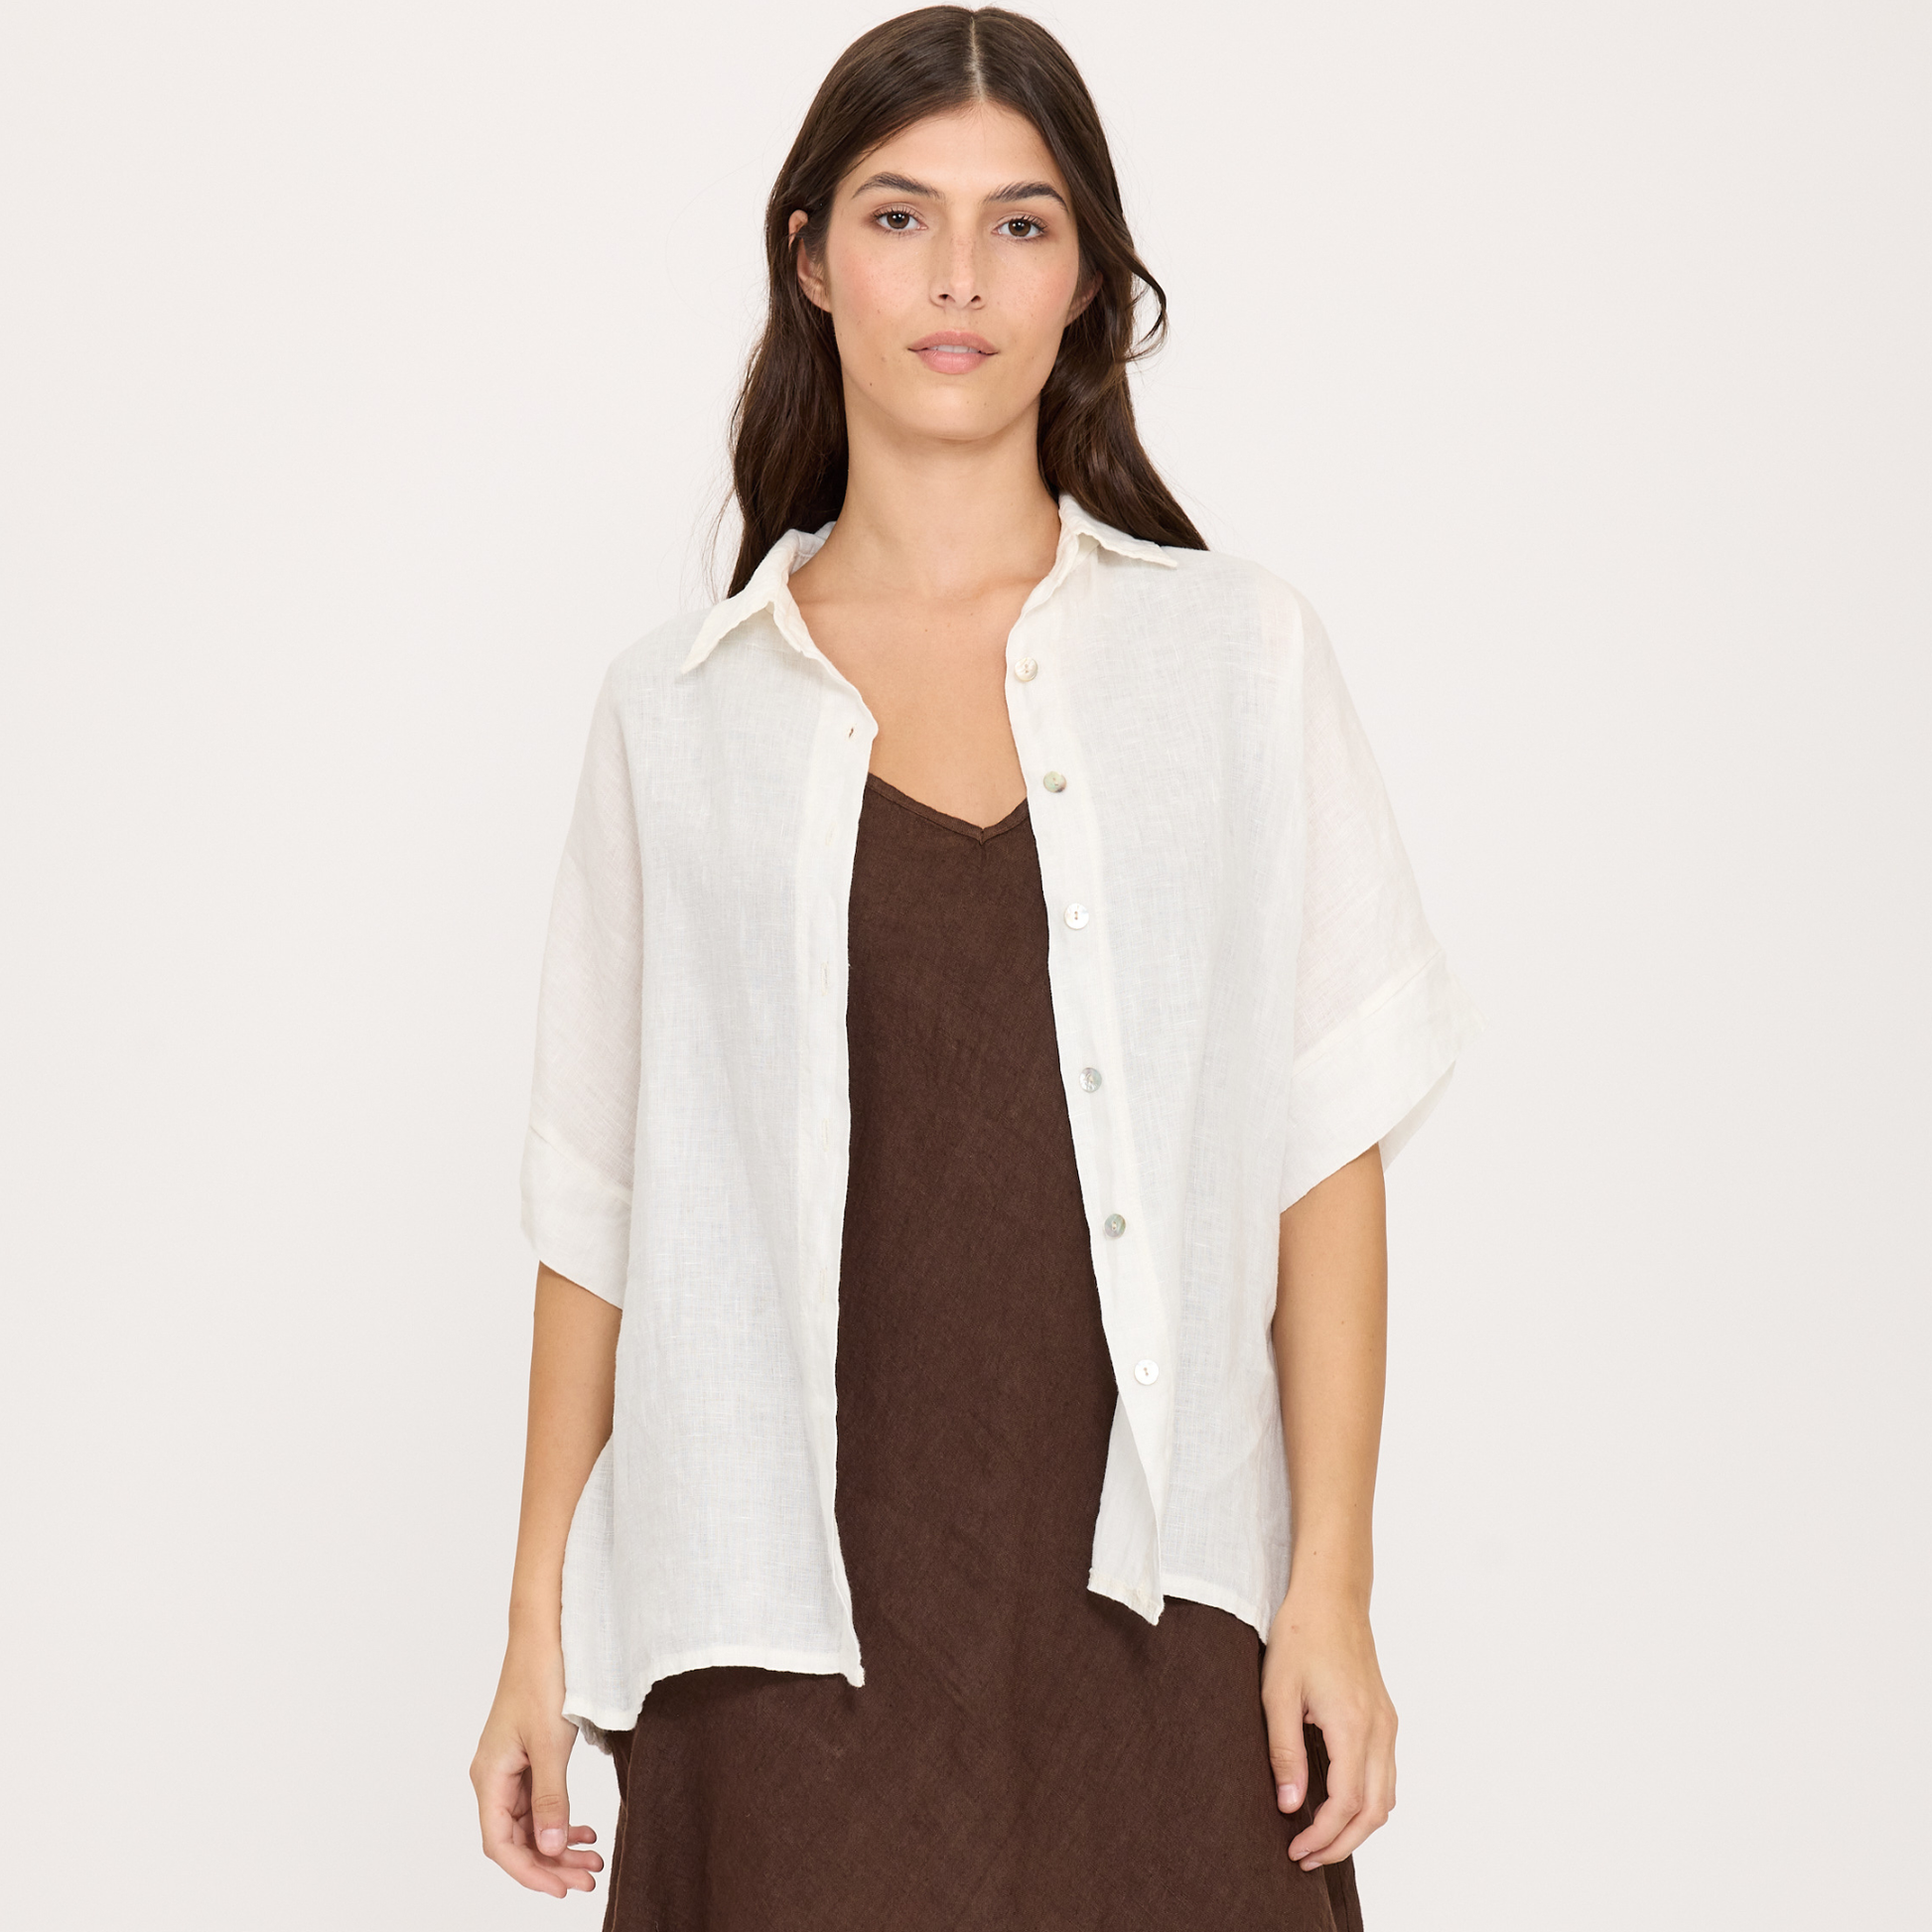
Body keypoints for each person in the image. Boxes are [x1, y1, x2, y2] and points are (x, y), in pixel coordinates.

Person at [470, 8, 1482, 1926]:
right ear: (808, 259)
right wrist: (535, 1621)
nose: (956, 277)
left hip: (1155, 1601)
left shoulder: (1237, 661)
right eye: (897, 216)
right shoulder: (674, 715)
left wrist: (1330, 1583)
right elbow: (599, 1202)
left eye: (1018, 224)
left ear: (1084, 276)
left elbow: (1321, 1145)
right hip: (775, 1621)